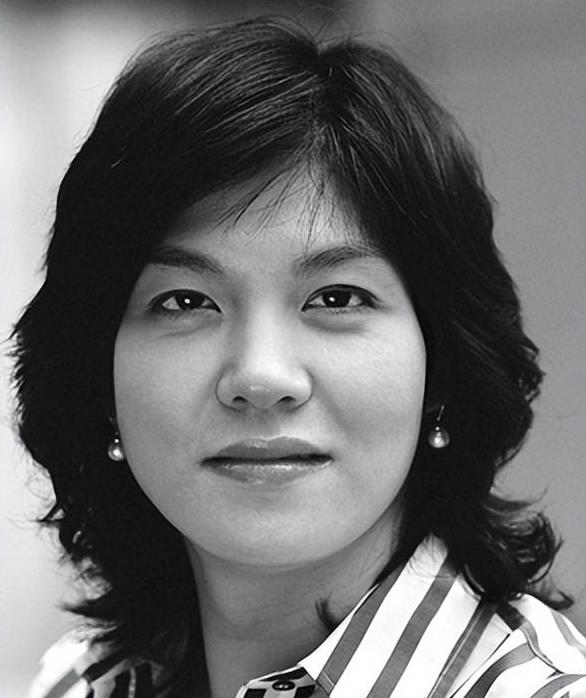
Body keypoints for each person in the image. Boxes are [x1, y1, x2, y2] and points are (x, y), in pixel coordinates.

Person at [12, 15, 586, 698]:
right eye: (186, 301)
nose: (260, 376)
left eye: (336, 298)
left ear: (442, 372)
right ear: (97, 377)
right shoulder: (78, 683)